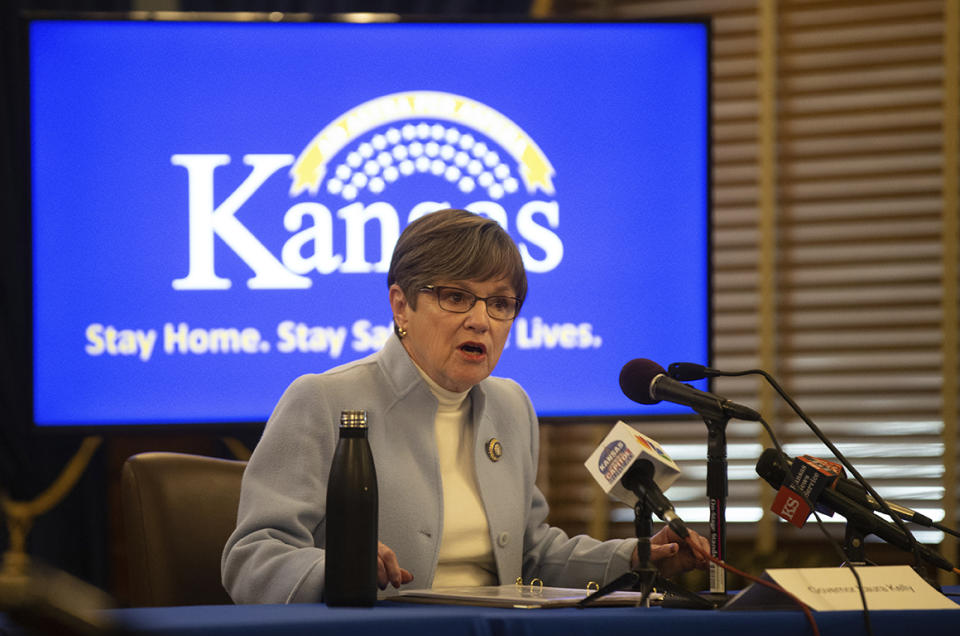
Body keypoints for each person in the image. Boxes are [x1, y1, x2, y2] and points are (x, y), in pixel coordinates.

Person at [221, 208, 709, 604]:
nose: (481, 320)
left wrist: (636, 557)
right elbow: (251, 557)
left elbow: (529, 556)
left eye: (500, 303)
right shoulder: (324, 400)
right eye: (457, 297)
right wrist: (338, 567)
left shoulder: (511, 406)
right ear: (400, 305)